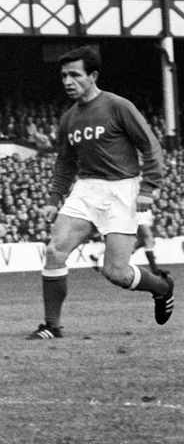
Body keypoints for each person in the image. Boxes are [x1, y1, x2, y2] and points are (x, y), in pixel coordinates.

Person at [30, 46, 173, 340]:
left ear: (93, 76)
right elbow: (65, 163)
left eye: (74, 75)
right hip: (86, 189)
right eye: (64, 76)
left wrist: (148, 187)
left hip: (121, 190)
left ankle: (161, 287)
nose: (68, 81)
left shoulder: (118, 106)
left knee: (117, 272)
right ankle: (51, 325)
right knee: (54, 251)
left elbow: (151, 146)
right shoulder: (69, 118)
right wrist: (54, 199)